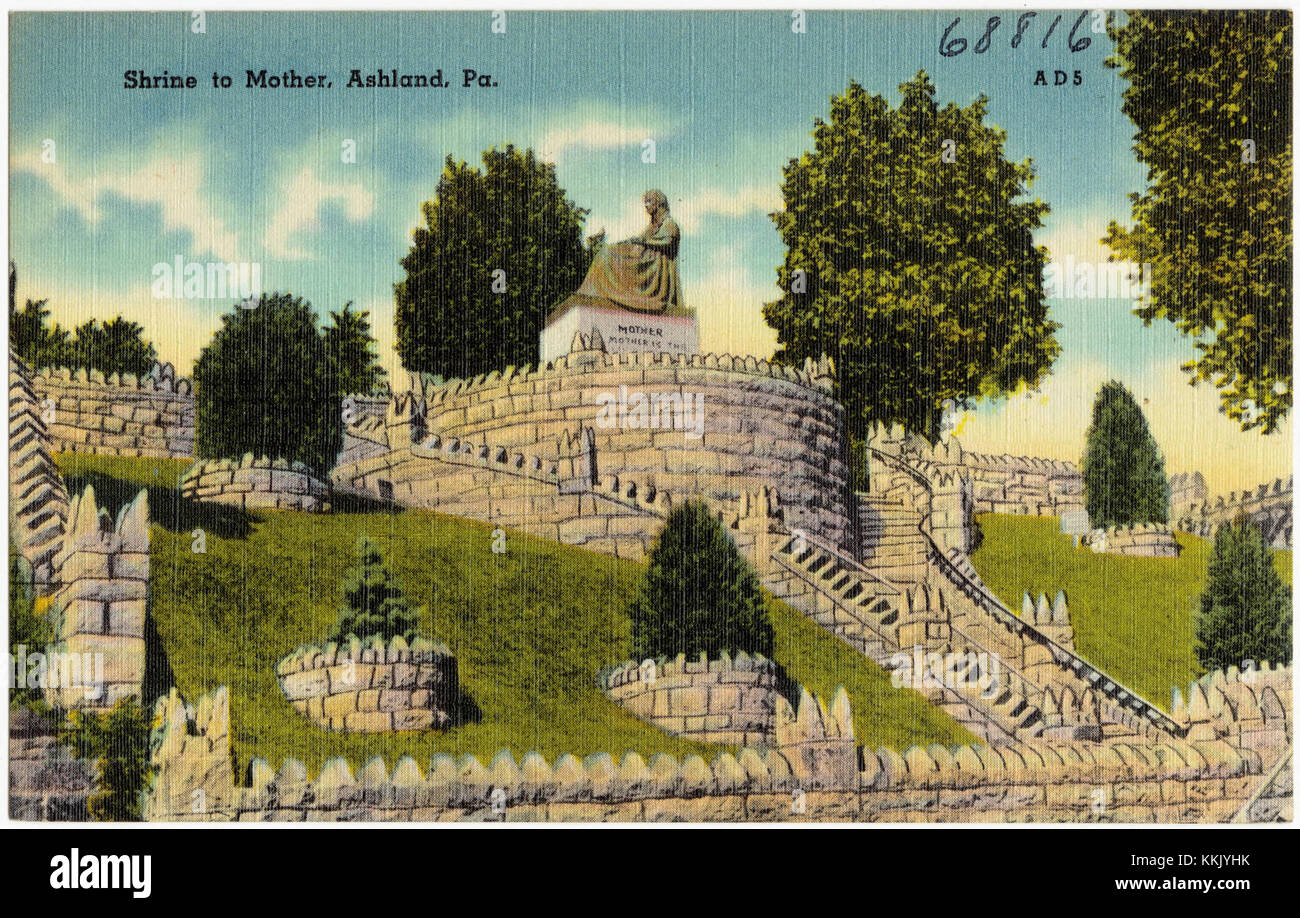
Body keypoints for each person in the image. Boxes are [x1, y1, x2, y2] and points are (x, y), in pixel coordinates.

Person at [576, 189, 683, 314]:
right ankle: (597, 290)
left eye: (649, 201)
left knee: (607, 255)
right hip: (641, 259)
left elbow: (666, 242)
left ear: (659, 202)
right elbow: (639, 240)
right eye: (645, 202)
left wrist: (642, 241)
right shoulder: (651, 227)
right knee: (606, 252)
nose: (646, 205)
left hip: (652, 266)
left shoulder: (669, 223)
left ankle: (614, 292)